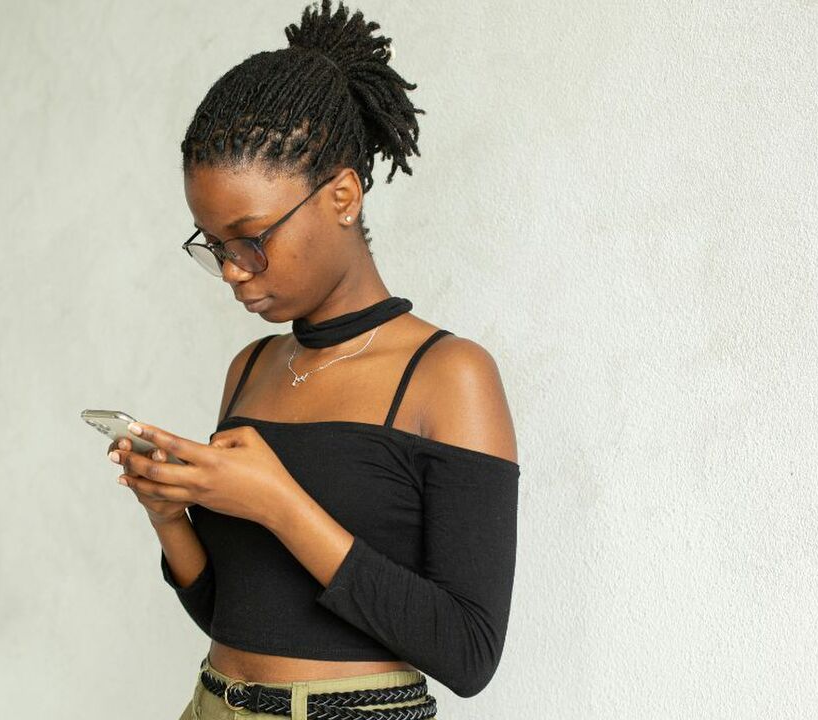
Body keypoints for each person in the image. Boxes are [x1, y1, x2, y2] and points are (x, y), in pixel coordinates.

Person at [106, 2, 519, 717]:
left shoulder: (449, 375)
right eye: (214, 245)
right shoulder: (251, 368)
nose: (233, 270)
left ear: (342, 196)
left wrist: (277, 502)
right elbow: (233, 616)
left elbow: (468, 652)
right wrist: (169, 516)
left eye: (251, 238)